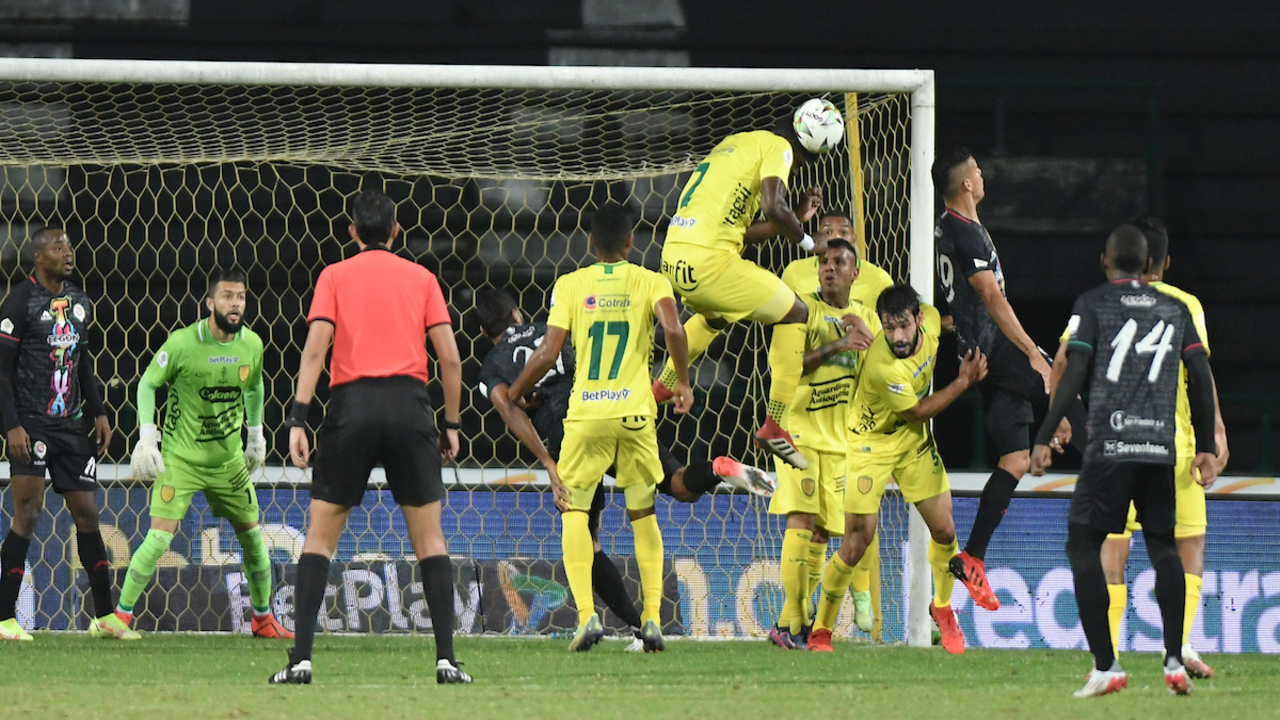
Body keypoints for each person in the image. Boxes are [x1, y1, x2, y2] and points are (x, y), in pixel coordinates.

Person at [474, 289, 772, 650]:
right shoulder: (550, 329)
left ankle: (622, 626)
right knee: (677, 485)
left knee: (586, 534)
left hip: (570, 431)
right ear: (518, 314)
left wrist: (549, 463)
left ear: (483, 331)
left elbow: (509, 409)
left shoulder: (492, 364)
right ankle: (718, 468)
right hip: (611, 407)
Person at [270, 190, 470, 684]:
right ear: (397, 232)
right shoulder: (422, 278)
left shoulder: (334, 276)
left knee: (320, 534)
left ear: (352, 231)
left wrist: (298, 418)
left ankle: (301, 661)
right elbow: (450, 359)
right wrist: (450, 423)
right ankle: (446, 660)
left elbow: (315, 352)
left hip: (351, 407)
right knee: (429, 537)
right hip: (408, 406)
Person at [1031, 224, 1218, 697]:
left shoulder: (1094, 303)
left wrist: (1047, 431)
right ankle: (1174, 655)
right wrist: (1208, 444)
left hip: (1111, 446)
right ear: (1157, 265)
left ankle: (1106, 663)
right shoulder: (1179, 308)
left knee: (1087, 547)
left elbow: (1071, 367)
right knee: (1168, 548)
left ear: (1105, 262)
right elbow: (1200, 373)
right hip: (1163, 446)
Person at [506, 202, 691, 653]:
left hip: (586, 415)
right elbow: (674, 329)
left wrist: (513, 394)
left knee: (574, 514)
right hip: (634, 415)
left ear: (590, 242)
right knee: (642, 514)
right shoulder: (652, 281)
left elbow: (548, 354)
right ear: (632, 242)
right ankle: (650, 619)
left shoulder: (570, 284)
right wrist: (682, 380)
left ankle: (587, 617)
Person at [651, 101, 873, 469]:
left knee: (715, 318)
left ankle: (656, 392)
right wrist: (807, 240)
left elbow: (743, 232)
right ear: (810, 151)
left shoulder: (738, 142)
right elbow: (773, 205)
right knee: (795, 313)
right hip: (709, 261)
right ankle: (774, 425)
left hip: (675, 256)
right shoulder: (779, 147)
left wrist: (796, 218)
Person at [932, 147, 1081, 610]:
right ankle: (1117, 489)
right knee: (1067, 393)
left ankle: (973, 557)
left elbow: (963, 300)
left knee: (1015, 458)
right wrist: (1032, 355)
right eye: (976, 169)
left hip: (980, 352)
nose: (981, 173)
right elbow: (992, 298)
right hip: (995, 350)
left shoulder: (951, 228)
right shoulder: (962, 231)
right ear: (966, 185)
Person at [807, 284, 987, 655]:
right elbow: (917, 411)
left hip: (912, 443)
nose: (897, 336)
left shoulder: (932, 322)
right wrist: (963, 381)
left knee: (944, 529)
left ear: (919, 319)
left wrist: (976, 316)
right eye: (889, 328)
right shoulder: (882, 366)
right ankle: (820, 630)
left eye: (903, 326)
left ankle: (941, 607)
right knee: (858, 541)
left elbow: (945, 322)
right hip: (870, 445)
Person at [118, 268, 292, 638]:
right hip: (181, 459)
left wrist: (256, 435)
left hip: (228, 462)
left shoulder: (252, 345)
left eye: (241, 297)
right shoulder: (182, 343)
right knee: (159, 539)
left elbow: (256, 387)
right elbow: (148, 384)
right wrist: (148, 437)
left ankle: (262, 619)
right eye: (227, 296)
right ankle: (119, 618)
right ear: (210, 302)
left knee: (253, 539)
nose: (236, 304)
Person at [0, 228, 127, 641]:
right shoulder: (20, 301)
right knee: (28, 513)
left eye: (69, 247)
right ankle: (4, 619)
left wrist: (100, 411)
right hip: (32, 426)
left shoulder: (79, 302)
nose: (67, 253)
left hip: (72, 426)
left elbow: (83, 362)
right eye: (58, 248)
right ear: (39, 257)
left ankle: (105, 618)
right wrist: (12, 424)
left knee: (88, 514)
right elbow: (1, 369)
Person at [767, 238, 881, 650]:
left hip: (839, 442)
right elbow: (786, 370)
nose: (828, 268)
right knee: (800, 521)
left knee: (820, 535)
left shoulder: (868, 317)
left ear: (856, 272)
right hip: (795, 433)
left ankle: (786, 621)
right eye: (822, 262)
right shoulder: (800, 311)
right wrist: (838, 344)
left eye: (838, 262)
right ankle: (795, 620)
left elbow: (882, 375)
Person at [779, 211, 895, 310]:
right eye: (828, 232)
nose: (836, 237)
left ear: (854, 239)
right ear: (818, 237)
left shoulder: (879, 279)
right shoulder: (794, 272)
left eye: (843, 232)